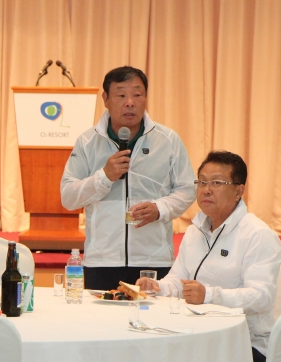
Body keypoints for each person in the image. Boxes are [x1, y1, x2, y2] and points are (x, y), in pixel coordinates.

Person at [137, 150, 281, 362]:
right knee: (148, 352)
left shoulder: (257, 235)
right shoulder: (195, 231)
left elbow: (261, 297)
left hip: (246, 346)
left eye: (217, 183)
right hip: (199, 335)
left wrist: (209, 295)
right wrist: (158, 287)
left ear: (238, 191)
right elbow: (178, 279)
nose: (206, 190)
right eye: (202, 182)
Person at [60, 66, 195, 290]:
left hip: (153, 260)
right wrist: (104, 177)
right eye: (121, 95)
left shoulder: (168, 140)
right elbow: (68, 197)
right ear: (106, 99)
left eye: (137, 94)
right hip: (102, 260)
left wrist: (160, 208)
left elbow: (187, 189)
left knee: (152, 313)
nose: (130, 102)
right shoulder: (87, 142)